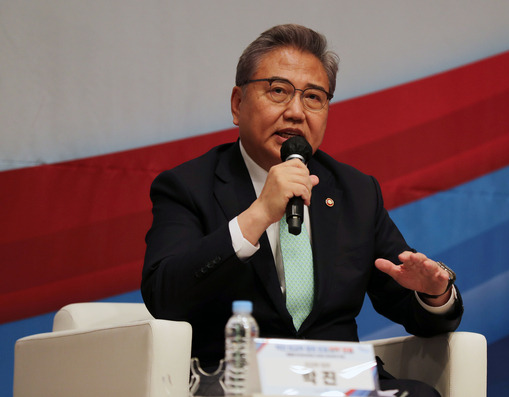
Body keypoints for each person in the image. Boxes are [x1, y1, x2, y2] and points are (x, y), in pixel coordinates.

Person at [142, 24, 463, 397]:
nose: (295, 112)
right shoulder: (188, 185)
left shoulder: (355, 191)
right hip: (239, 382)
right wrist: (258, 213)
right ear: (237, 103)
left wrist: (433, 295)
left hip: (338, 381)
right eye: (278, 91)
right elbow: (164, 296)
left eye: (313, 97)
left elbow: (408, 303)